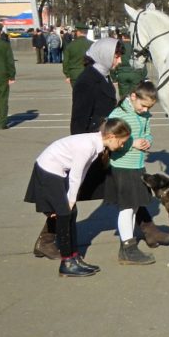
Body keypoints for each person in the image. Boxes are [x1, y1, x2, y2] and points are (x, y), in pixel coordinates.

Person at [24, 118, 132, 277]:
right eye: (121, 142)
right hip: (48, 170)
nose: (122, 145)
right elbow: (75, 175)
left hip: (56, 171)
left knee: (71, 212)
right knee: (64, 214)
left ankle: (74, 257)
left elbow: (82, 173)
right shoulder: (87, 146)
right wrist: (70, 199)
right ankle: (67, 263)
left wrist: (72, 199)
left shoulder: (96, 145)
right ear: (111, 136)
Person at [106, 81, 164, 264]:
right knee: (127, 207)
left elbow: (147, 133)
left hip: (137, 165)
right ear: (133, 97)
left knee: (135, 206)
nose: (145, 110)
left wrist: (147, 140)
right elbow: (111, 139)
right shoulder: (118, 114)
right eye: (143, 105)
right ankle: (127, 247)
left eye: (149, 107)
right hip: (122, 166)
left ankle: (128, 245)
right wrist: (133, 144)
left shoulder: (144, 114)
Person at [71, 37, 122, 135]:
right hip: (93, 138)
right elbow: (79, 121)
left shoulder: (103, 74)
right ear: (104, 55)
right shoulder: (87, 81)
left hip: (105, 136)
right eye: (116, 57)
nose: (120, 61)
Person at [111, 30, 147, 101]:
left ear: (123, 36)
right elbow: (142, 62)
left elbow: (114, 61)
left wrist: (114, 77)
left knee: (124, 98)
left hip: (122, 73)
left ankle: (125, 110)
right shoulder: (136, 46)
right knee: (135, 97)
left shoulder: (118, 46)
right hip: (136, 73)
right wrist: (143, 75)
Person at [0, 21, 15, 130]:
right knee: (3, 99)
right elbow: (10, 61)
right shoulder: (5, 44)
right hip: (2, 74)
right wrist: (12, 76)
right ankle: (2, 123)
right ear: (0, 31)